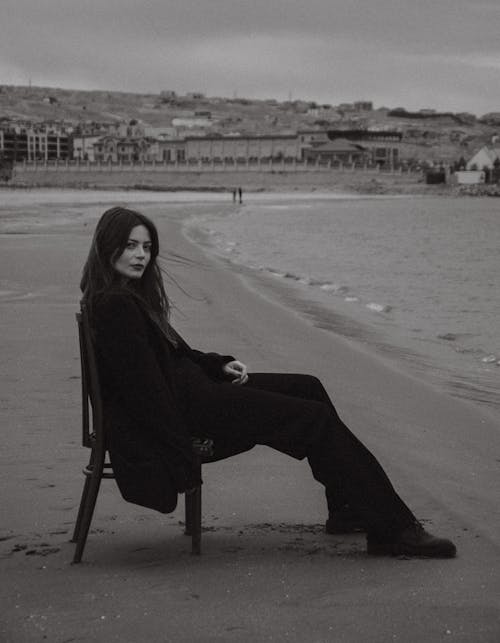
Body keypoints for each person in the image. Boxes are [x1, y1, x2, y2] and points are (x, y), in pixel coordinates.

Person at [80, 207, 456, 559]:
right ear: (106, 246)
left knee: (308, 386)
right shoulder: (116, 307)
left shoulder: (123, 297)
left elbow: (175, 354)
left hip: (198, 396)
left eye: (146, 247)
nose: (140, 255)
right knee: (313, 418)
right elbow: (145, 393)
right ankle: (393, 529)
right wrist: (182, 450)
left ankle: (347, 509)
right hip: (191, 413)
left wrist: (219, 365)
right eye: (130, 246)